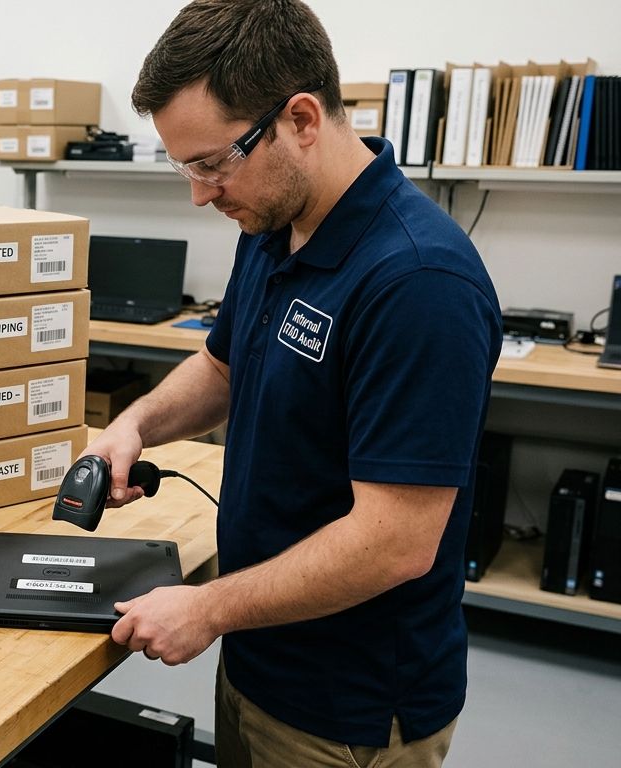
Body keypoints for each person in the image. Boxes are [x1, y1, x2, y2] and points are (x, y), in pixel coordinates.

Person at [84, 1, 502, 765]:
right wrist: (134, 425)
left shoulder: (418, 282)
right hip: (258, 657)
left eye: (212, 163)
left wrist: (207, 607)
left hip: (349, 709)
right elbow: (223, 365)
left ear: (302, 119)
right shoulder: (272, 224)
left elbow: (394, 544)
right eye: (188, 167)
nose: (200, 194)